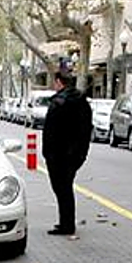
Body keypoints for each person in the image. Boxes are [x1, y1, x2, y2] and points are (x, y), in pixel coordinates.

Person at [42, 67, 92, 236]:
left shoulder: (59, 103)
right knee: (66, 188)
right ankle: (66, 222)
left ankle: (67, 224)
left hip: (58, 155)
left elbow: (50, 132)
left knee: (61, 188)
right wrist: (80, 153)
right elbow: (86, 129)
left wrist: (48, 153)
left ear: (58, 82)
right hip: (75, 154)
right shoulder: (81, 101)